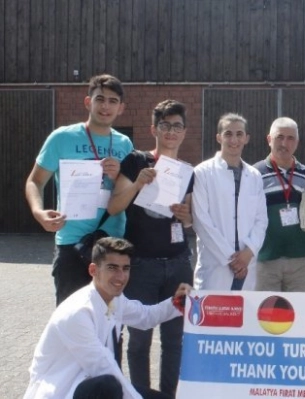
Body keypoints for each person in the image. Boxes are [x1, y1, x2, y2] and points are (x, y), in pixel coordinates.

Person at [23, 237, 191, 399]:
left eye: (125, 268)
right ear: (93, 270)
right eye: (112, 268)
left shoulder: (115, 299)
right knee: (107, 385)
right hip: (63, 391)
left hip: (92, 384)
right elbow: (102, 367)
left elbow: (145, 317)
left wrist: (177, 302)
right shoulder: (78, 312)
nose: (121, 276)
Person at [106, 100, 194, 396]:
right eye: (165, 125)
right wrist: (136, 185)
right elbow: (114, 205)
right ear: (153, 129)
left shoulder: (186, 170)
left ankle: (168, 395)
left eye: (177, 126)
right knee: (140, 339)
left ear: (184, 133)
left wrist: (186, 216)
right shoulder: (136, 160)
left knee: (174, 340)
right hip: (141, 264)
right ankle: (139, 394)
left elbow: (189, 220)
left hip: (178, 263)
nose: (171, 131)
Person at [25, 74, 134, 306]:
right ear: (88, 102)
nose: (106, 106)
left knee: (111, 323)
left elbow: (127, 191)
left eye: (113, 101)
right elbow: (34, 181)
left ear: (121, 108)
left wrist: (118, 177)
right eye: (100, 99)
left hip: (113, 245)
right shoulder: (61, 138)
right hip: (72, 244)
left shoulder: (125, 144)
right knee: (71, 322)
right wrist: (39, 212)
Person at [192, 113, 267, 291]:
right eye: (228, 134)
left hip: (246, 264)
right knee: (212, 317)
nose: (234, 140)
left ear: (246, 138)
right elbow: (200, 219)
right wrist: (230, 259)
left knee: (243, 317)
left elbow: (261, 219)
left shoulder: (254, 176)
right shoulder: (202, 172)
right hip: (216, 265)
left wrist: (248, 253)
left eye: (239, 134)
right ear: (219, 137)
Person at [253, 117, 305, 292]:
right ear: (269, 139)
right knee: (265, 314)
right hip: (265, 258)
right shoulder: (254, 174)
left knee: (300, 312)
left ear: (297, 142)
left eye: (290, 138)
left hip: (301, 259)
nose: (284, 143)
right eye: (279, 137)